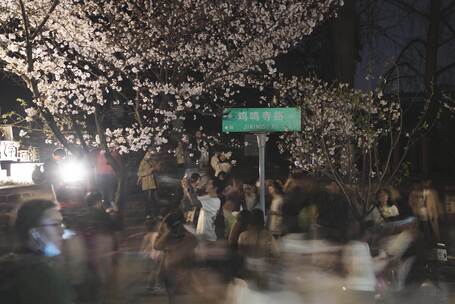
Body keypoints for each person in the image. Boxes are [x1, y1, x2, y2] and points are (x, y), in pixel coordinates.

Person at [0, 199, 74, 304]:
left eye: (62, 224)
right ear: (35, 233)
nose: (62, 231)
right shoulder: (42, 276)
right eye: (55, 224)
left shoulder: (10, 265)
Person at [155, 210, 198, 304]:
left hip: (183, 273)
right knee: (172, 298)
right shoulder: (166, 233)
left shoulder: (189, 235)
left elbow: (193, 243)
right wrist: (167, 233)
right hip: (168, 273)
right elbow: (157, 246)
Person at [182, 177, 221, 241]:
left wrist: (187, 187)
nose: (206, 185)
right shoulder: (208, 198)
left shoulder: (214, 200)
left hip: (208, 237)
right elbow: (193, 200)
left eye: (209, 184)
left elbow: (194, 201)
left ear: (215, 188)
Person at [141, 216, 165, 294]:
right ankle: (156, 286)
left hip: (152, 254)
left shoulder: (149, 235)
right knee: (157, 271)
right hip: (157, 254)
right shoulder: (156, 234)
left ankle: (150, 286)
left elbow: (146, 246)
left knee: (153, 270)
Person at [138, 150, 161, 218]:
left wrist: (157, 167)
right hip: (146, 184)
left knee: (155, 199)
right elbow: (139, 173)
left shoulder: (152, 161)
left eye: (150, 154)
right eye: (148, 153)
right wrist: (149, 171)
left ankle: (157, 214)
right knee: (148, 200)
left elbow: (158, 169)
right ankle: (148, 214)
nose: (149, 155)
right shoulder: (142, 162)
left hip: (154, 183)